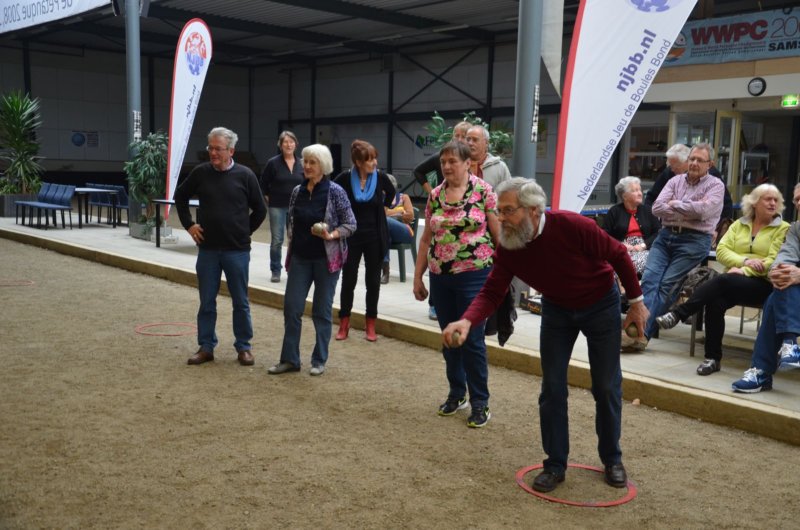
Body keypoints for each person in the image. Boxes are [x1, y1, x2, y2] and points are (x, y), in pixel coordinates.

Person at [442, 177, 647, 493]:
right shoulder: (510, 245)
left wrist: (635, 304)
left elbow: (618, 254)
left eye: (509, 210)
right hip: (557, 309)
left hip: (599, 303)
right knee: (552, 387)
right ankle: (555, 464)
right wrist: (467, 322)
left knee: (606, 386)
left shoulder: (571, 225)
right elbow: (492, 290)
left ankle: (612, 459)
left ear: (533, 210)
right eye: (500, 211)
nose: (501, 218)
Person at [656, 184, 789, 375]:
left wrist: (744, 270)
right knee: (715, 301)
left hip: (764, 284)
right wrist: (745, 261)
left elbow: (773, 260)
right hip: (733, 280)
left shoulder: (783, 228)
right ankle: (712, 359)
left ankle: (679, 313)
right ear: (754, 202)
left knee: (724, 280)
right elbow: (721, 251)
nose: (773, 203)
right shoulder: (738, 224)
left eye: (776, 200)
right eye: (767, 199)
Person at [412, 140, 500, 429]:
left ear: (468, 164)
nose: (447, 167)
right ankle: (456, 392)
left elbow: (498, 235)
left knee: (471, 340)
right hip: (441, 276)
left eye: (452, 161)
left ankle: (480, 402)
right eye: (443, 162)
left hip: (475, 275)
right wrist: (418, 277)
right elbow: (426, 239)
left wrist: (506, 274)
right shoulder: (435, 195)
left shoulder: (484, 192)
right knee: (449, 339)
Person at [175, 127, 267, 367]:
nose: (213, 153)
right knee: (206, 301)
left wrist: (244, 230)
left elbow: (260, 209)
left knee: (241, 301)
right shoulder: (200, 173)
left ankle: (244, 347)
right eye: (210, 148)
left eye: (218, 149)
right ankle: (206, 347)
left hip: (237, 251)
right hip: (208, 250)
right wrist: (189, 225)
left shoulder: (246, 175)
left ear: (231, 150)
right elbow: (180, 196)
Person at [267, 144, 356, 376]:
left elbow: (350, 223)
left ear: (323, 166)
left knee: (321, 311)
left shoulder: (335, 191)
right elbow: (292, 223)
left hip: (326, 261)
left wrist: (332, 234)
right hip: (300, 258)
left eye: (312, 162)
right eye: (305, 161)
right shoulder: (297, 191)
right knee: (292, 308)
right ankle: (290, 360)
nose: (306, 166)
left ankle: (319, 360)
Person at [634, 143, 725, 351]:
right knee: (649, 280)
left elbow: (703, 211)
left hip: (694, 241)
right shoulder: (675, 180)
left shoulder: (715, 186)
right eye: (692, 158)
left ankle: (639, 333)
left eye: (699, 160)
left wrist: (675, 204)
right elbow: (657, 207)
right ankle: (639, 330)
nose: (693, 163)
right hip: (665, 237)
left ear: (709, 164)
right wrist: (688, 207)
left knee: (667, 285)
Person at [732, 183, 800, 393]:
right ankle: (789, 345)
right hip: (794, 292)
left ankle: (762, 370)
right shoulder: (796, 229)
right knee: (781, 283)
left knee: (781, 289)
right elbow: (782, 258)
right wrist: (778, 272)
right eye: (797, 199)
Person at [333, 140, 395, 342]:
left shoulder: (380, 178)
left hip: (375, 237)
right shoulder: (343, 179)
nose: (375, 163)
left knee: (373, 282)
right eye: (370, 160)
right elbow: (332, 196)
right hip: (351, 237)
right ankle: (344, 322)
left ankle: (370, 323)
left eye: (375, 158)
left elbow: (392, 193)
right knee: (348, 280)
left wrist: (383, 208)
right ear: (358, 162)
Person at [645, 143, 733, 224]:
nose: (672, 169)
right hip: (666, 229)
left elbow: (704, 211)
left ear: (686, 162)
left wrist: (673, 203)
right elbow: (653, 203)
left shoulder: (712, 178)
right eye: (670, 166)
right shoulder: (671, 175)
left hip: (698, 231)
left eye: (675, 166)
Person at [260, 130, 304, 283]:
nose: (288, 144)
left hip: (296, 208)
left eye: (291, 141)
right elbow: (263, 183)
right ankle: (275, 270)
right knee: (277, 240)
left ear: (296, 144)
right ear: (280, 145)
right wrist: (269, 199)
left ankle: (293, 269)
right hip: (277, 206)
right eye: (285, 142)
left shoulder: (302, 163)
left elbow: (307, 185)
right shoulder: (273, 163)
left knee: (295, 239)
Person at [603, 176, 661, 275]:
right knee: (617, 263)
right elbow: (604, 235)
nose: (640, 193)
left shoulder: (648, 210)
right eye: (635, 190)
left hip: (645, 249)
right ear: (625, 196)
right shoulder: (614, 211)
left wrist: (644, 245)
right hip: (621, 250)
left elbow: (658, 232)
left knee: (651, 261)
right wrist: (621, 245)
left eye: (640, 190)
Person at [412, 121, 472, 195]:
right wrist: (432, 193)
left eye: (463, 137)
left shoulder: (475, 159)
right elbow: (418, 171)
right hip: (444, 201)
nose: (459, 139)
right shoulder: (442, 156)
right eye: (457, 136)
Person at [381, 173, 415, 284]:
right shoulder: (379, 199)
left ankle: (385, 271)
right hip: (387, 234)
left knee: (384, 221)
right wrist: (398, 211)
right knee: (384, 233)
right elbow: (378, 214)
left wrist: (387, 213)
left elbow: (410, 216)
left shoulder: (403, 197)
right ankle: (385, 271)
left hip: (404, 232)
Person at [464, 124, 511, 189]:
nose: (470, 143)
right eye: (468, 139)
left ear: (486, 143)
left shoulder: (499, 167)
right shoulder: (459, 165)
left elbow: (508, 193)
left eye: (475, 140)